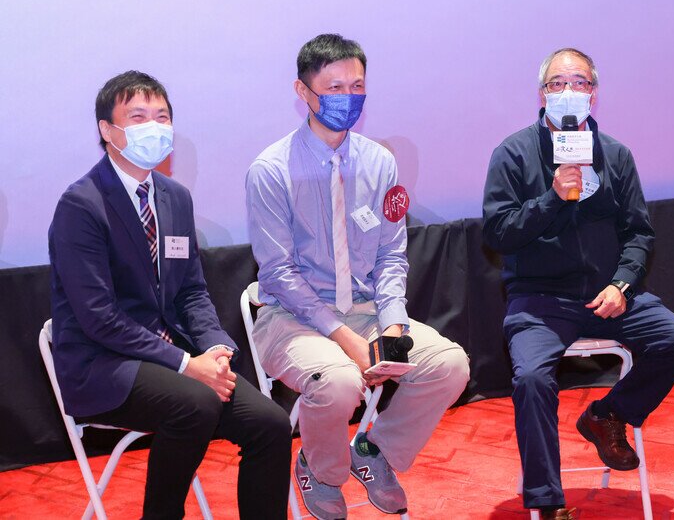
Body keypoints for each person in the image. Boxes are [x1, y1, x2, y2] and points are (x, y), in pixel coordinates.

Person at [49, 71, 292, 519]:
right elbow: (98, 316)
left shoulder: (175, 198)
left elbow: (192, 292)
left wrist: (215, 348)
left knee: (271, 424)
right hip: (102, 364)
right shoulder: (81, 205)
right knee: (195, 403)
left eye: (162, 117)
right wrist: (186, 364)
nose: (154, 127)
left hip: (173, 358)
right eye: (138, 116)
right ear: (108, 130)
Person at [245, 34, 470, 520]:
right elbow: (279, 274)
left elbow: (391, 255)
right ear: (303, 92)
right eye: (334, 87)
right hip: (291, 319)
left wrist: (393, 324)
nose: (347, 97)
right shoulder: (270, 170)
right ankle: (320, 468)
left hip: (367, 311)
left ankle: (375, 452)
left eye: (357, 86)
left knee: (449, 364)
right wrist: (346, 339)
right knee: (341, 380)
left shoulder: (380, 162)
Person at [482, 48, 674, 519]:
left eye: (579, 82)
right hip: (540, 300)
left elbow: (639, 232)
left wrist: (622, 283)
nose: (568, 92)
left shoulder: (615, 155)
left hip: (608, 293)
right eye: (558, 84)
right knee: (534, 379)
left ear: (594, 94)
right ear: (542, 94)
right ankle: (548, 504)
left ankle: (608, 415)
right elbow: (497, 232)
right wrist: (552, 197)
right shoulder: (513, 153)